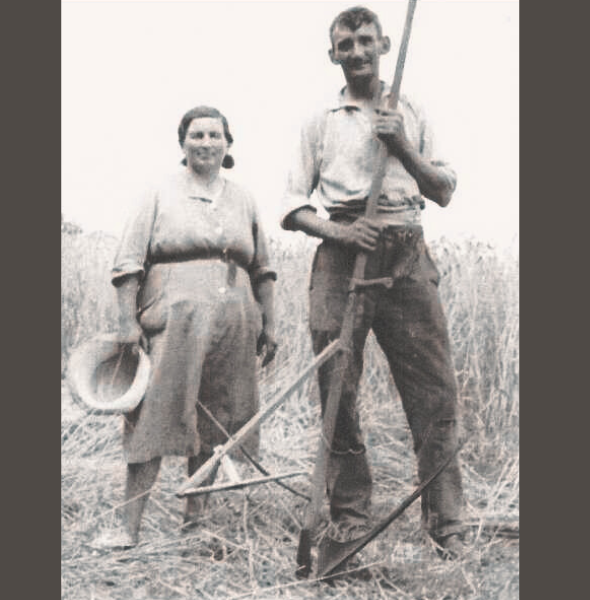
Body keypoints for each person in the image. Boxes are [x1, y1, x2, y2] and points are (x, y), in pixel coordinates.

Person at [280, 6, 465, 559]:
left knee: (435, 391)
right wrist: (340, 232)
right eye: (345, 43)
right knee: (338, 387)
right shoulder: (320, 120)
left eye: (366, 40)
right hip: (342, 257)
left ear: (384, 43)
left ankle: (447, 523)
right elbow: (292, 207)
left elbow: (445, 189)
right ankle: (349, 519)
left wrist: (402, 144)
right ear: (331, 53)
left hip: (407, 253)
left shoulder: (412, 108)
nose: (356, 51)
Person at [107, 105, 277, 547]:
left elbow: (264, 270)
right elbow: (128, 261)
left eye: (214, 135)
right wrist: (127, 321)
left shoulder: (243, 198)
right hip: (174, 316)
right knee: (154, 414)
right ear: (182, 144)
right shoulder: (160, 192)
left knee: (219, 418)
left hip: (236, 319)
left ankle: (195, 522)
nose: (205, 143)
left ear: (228, 144)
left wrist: (269, 323)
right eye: (196, 135)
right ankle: (128, 528)